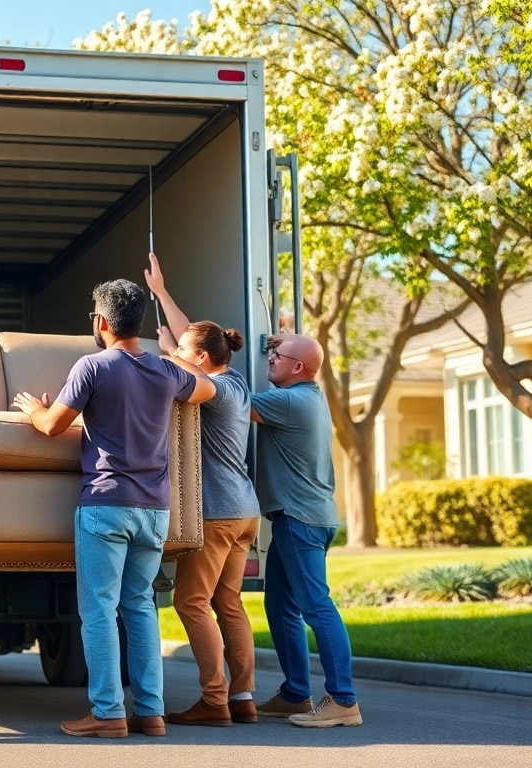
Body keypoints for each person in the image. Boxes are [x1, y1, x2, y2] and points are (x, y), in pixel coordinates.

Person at [14, 278, 214, 739]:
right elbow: (204, 388)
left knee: (100, 610)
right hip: (154, 511)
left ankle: (107, 712)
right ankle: (150, 712)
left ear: (101, 322)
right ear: (138, 322)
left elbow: (50, 426)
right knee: (140, 606)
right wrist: (175, 363)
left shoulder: (93, 367)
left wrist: (31, 410)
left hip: (105, 506)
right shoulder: (167, 372)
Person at [143, 254, 260, 727]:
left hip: (216, 514)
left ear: (203, 359)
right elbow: (190, 339)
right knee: (227, 602)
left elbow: (183, 374)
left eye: (186, 350)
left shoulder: (218, 390)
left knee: (192, 602)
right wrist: (161, 292)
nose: (175, 349)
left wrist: (167, 355)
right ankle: (243, 697)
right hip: (243, 511)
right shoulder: (234, 378)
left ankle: (215, 700)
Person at [252, 333, 362, 727]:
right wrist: (287, 335)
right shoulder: (311, 396)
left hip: (300, 520)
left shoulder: (287, 402)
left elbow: (223, 399)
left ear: (298, 367)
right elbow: (298, 353)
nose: (269, 359)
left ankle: (343, 700)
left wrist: (177, 354)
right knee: (279, 604)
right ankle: (296, 694)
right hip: (303, 517)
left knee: (316, 607)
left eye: (276, 356)